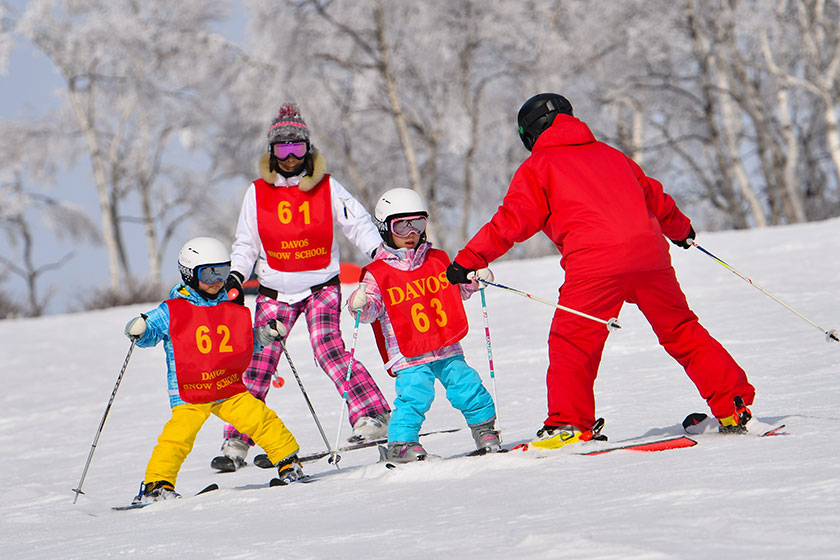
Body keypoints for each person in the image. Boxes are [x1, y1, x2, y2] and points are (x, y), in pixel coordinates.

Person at [445, 93, 757, 448]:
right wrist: (681, 231)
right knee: (681, 329)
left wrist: (468, 260)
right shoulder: (614, 156)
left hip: (595, 265)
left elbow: (511, 222)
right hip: (650, 258)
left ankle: (569, 423)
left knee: (574, 342)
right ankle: (734, 406)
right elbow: (656, 197)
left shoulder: (540, 166)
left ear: (529, 134)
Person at [217, 103, 391, 470]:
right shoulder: (257, 192)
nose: (291, 157)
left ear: (308, 149)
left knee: (328, 349)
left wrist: (379, 251)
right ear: (272, 152)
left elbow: (356, 222)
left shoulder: (327, 186)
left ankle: (372, 415)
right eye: (283, 149)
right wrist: (235, 275)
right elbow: (246, 243)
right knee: (258, 363)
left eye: (298, 148)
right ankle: (237, 438)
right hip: (274, 289)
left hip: (320, 286)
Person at [123, 237, 305, 503]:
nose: (216, 280)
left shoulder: (229, 307)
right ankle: (157, 485)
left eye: (222, 271)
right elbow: (148, 333)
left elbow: (242, 344)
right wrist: (137, 329)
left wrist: (265, 335)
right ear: (189, 274)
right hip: (190, 392)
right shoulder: (173, 310)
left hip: (226, 386)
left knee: (260, 418)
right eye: (208, 273)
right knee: (177, 437)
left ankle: (289, 462)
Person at [346, 188, 500, 463]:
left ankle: (485, 430)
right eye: (401, 225)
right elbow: (371, 310)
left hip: (445, 344)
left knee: (466, 384)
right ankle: (401, 444)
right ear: (385, 228)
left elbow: (458, 289)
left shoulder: (437, 260)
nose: (410, 233)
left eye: (417, 223)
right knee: (415, 394)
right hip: (409, 351)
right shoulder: (378, 272)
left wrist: (475, 279)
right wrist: (359, 303)